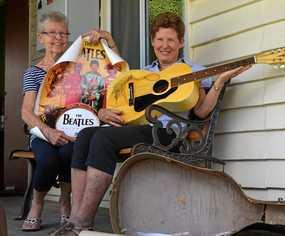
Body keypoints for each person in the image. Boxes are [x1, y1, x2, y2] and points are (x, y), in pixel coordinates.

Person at [50, 12, 251, 235]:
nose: (165, 45)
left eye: (171, 40)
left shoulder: (192, 71)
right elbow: (124, 104)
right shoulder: (144, 73)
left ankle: (81, 222)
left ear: (181, 42)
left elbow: (201, 111)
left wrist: (219, 81)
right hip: (140, 128)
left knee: (102, 138)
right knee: (86, 134)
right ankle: (77, 218)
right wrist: (106, 112)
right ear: (153, 42)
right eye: (160, 39)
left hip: (168, 133)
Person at [20, 11, 117, 231]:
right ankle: (37, 204)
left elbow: (113, 74)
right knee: (47, 160)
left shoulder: (77, 70)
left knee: (69, 153)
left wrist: (107, 41)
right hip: (43, 133)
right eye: (52, 33)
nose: (58, 38)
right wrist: (48, 132)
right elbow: (26, 112)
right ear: (40, 37)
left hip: (72, 132)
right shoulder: (33, 72)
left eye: (63, 34)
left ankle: (65, 202)